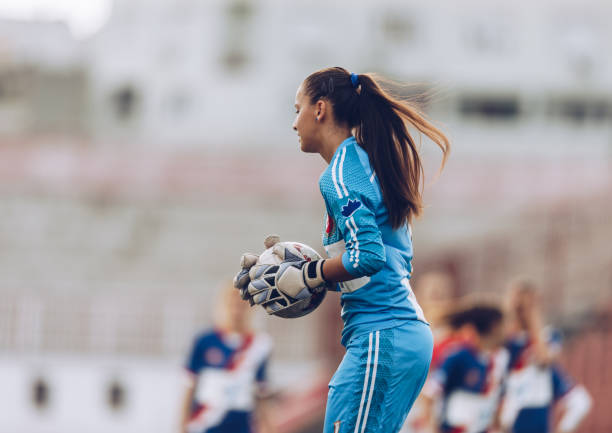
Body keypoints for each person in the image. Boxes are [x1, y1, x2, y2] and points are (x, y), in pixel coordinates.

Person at [235, 67, 450, 433]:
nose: (293, 123)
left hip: (383, 336)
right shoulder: (367, 163)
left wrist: (307, 274)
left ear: (319, 109)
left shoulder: (340, 174)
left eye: (296, 108)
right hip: (395, 335)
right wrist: (288, 276)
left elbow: (368, 257)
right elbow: (373, 268)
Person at [180, 283, 275, 433]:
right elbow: (189, 387)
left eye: (241, 305)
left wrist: (269, 428)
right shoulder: (204, 341)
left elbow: (261, 395)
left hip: (240, 424)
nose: (236, 310)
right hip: (205, 423)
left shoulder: (260, 345)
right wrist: (181, 427)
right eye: (231, 304)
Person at [500, 280, 592, 433]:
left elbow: (544, 359)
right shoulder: (506, 340)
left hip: (538, 412)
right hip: (511, 410)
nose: (523, 312)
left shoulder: (549, 335)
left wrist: (533, 319)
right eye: (521, 307)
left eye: (529, 306)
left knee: (579, 401)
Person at [421, 303, 508, 433]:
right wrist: (431, 428)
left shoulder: (498, 359)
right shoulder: (457, 356)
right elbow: (430, 393)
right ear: (494, 327)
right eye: (503, 326)